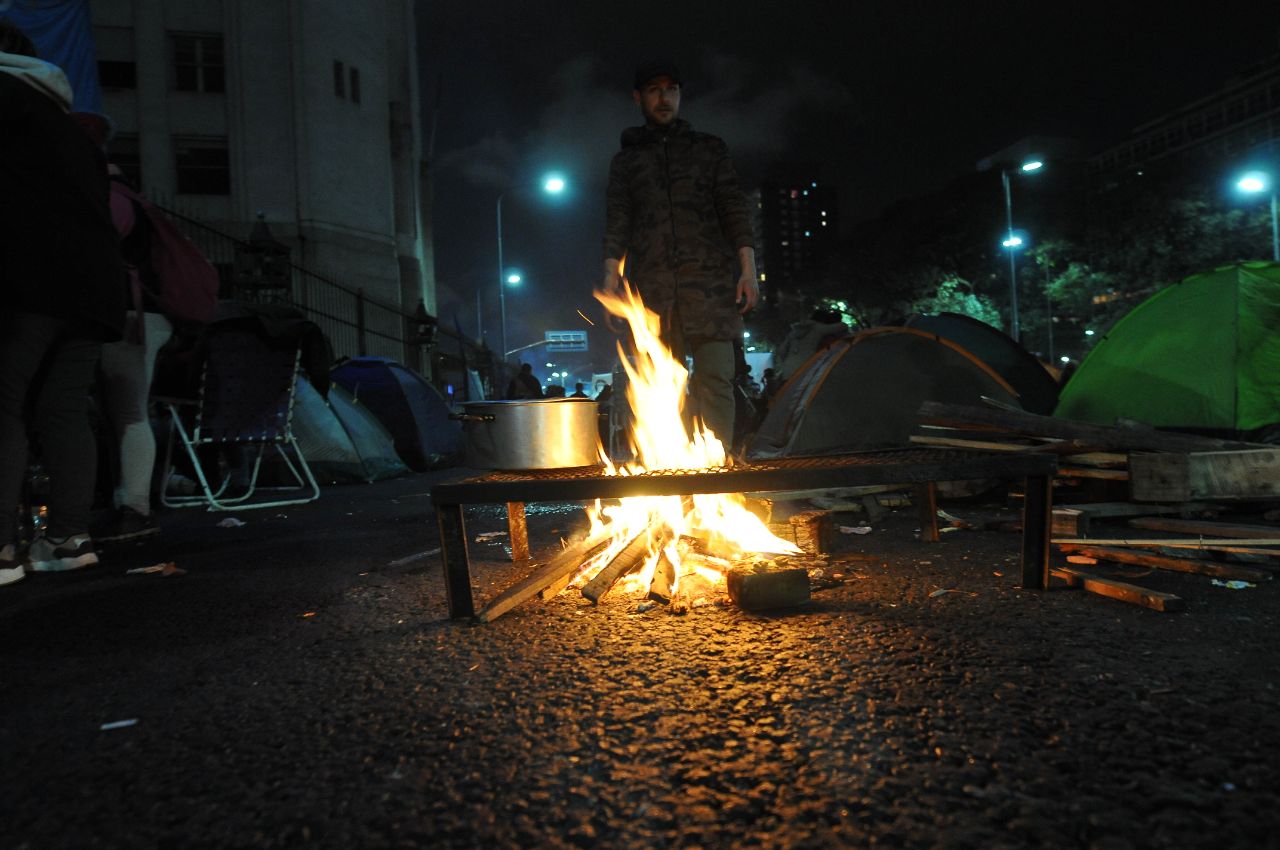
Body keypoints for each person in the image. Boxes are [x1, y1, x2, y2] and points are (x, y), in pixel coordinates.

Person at [0, 21, 127, 582]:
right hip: (93, 288)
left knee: (2, 405)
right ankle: (69, 537)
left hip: (24, 278)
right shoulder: (73, 130)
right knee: (64, 411)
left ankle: (2, 549)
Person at [602, 60, 757, 447]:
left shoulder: (708, 149)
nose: (663, 97)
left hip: (710, 286)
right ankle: (673, 471)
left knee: (717, 378)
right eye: (654, 90)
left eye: (671, 89)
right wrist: (610, 279)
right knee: (661, 385)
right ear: (638, 97)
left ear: (680, 95)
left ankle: (717, 474)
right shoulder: (628, 160)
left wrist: (748, 270)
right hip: (653, 291)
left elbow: (733, 209)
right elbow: (618, 219)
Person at [69, 112, 173, 542]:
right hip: (141, 315)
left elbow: (97, 248)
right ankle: (131, 504)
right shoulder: (127, 194)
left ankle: (135, 508)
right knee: (128, 412)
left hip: (129, 316)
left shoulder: (109, 196)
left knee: (128, 412)